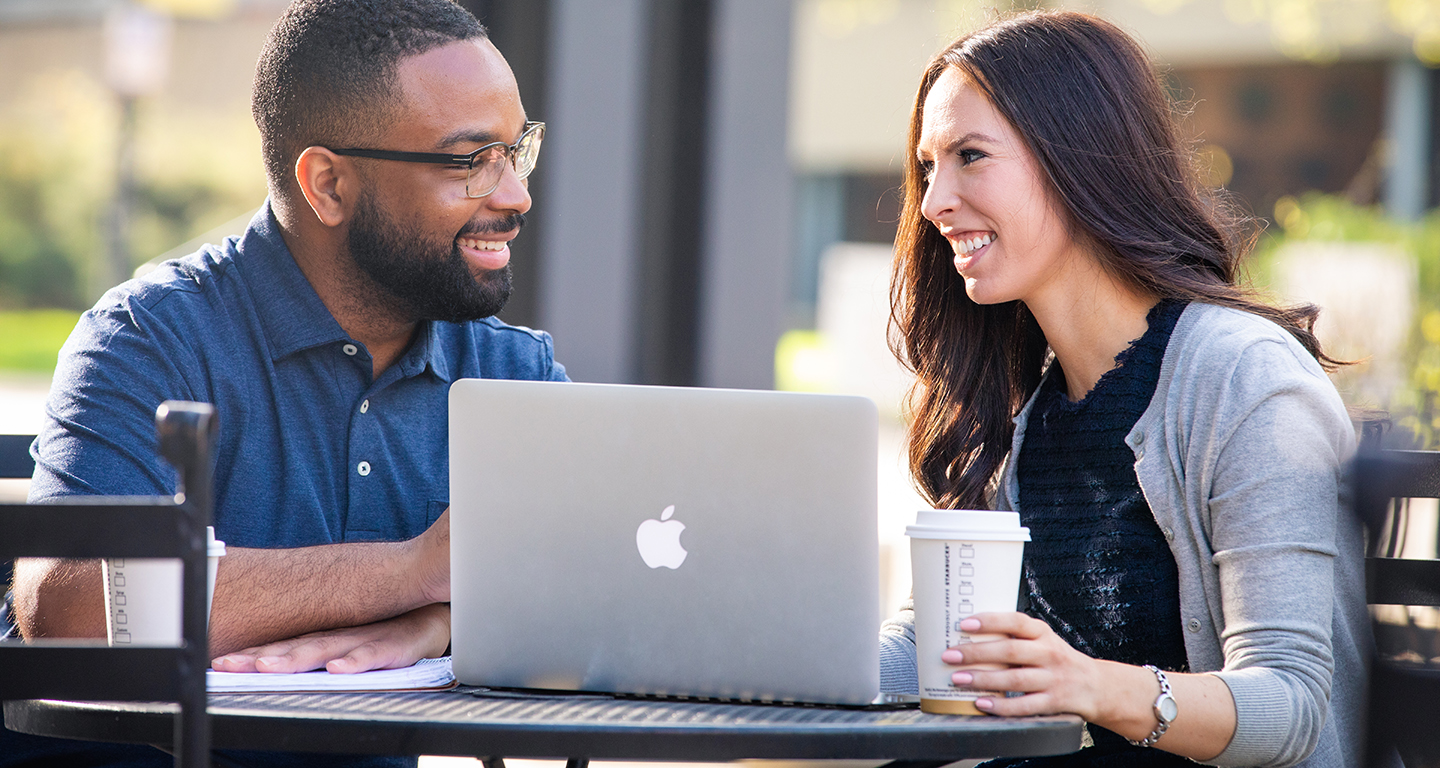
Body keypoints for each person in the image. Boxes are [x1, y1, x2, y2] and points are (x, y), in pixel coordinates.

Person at [5, 1, 563, 766]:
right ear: (328, 184)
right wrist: (417, 571)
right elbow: (76, 610)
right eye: (471, 162)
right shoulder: (150, 337)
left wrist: (442, 622)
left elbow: (587, 584)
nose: (515, 196)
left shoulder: (513, 373)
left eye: (517, 150)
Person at [878, 10, 1378, 768]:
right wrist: (763, 649)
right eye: (926, 168)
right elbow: (925, 653)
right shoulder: (1021, 405)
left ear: (1081, 160)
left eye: (970, 156)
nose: (934, 201)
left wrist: (1091, 686)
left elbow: (1294, 705)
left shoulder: (1245, 381)